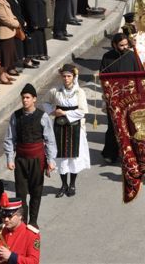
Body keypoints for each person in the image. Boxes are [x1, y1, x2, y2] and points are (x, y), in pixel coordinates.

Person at [4, 83, 57, 227]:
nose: (25, 100)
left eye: (28, 97)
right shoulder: (16, 116)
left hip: (37, 160)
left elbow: (50, 140)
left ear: (34, 99)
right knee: (20, 193)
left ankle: (33, 222)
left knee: (36, 192)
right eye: (23, 98)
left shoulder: (43, 116)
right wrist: (10, 158)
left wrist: (51, 160)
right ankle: (22, 222)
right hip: (21, 160)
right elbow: (10, 138)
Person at [43, 64, 90, 198]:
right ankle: (63, 184)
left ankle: (72, 184)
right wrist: (53, 111)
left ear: (74, 77)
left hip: (75, 127)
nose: (66, 79)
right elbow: (44, 102)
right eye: (64, 76)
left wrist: (65, 113)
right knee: (61, 156)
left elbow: (82, 111)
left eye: (69, 76)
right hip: (59, 127)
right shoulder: (55, 91)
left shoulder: (79, 92)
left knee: (73, 156)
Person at [99, 33, 143, 164]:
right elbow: (103, 75)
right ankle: (110, 153)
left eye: (126, 45)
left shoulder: (131, 56)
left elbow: (139, 74)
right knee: (113, 126)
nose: (124, 47)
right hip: (114, 97)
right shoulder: (107, 57)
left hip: (130, 97)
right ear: (114, 45)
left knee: (131, 125)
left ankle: (132, 153)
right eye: (121, 45)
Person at [0, 195, 41, 264]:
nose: (6, 219)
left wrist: (11, 257)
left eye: (10, 216)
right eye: (3, 215)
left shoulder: (31, 234)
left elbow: (34, 262)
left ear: (20, 215)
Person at [19, 0, 48, 64]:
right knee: (32, 42)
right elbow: (32, 9)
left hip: (33, 21)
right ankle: (28, 60)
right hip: (32, 23)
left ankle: (33, 57)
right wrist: (34, 22)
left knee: (36, 41)